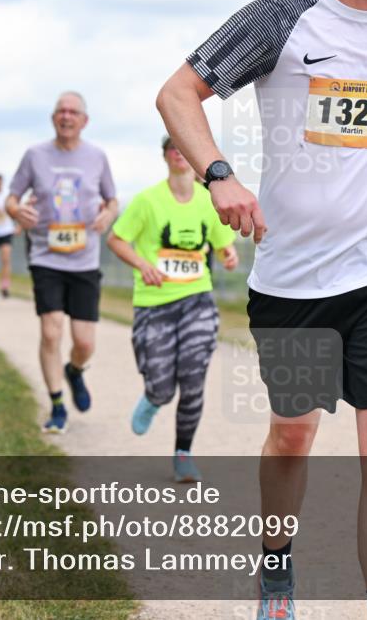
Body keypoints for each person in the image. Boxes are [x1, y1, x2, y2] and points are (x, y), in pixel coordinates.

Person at [155, 0, 367, 618]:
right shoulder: (282, 14)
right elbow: (177, 93)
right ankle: (275, 565)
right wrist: (218, 175)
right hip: (294, 281)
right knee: (293, 435)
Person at [107, 135, 238, 482]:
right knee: (163, 387)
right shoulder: (147, 201)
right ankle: (153, 397)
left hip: (197, 300)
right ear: (164, 156)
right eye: (173, 148)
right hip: (155, 305)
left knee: (193, 380)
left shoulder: (208, 200)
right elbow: (116, 240)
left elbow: (223, 244)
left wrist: (228, 254)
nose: (179, 153)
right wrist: (142, 264)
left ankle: (183, 454)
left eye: (184, 147)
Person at [7, 91, 118, 434]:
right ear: (53, 118)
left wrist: (108, 215)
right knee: (51, 330)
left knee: (84, 342)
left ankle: (75, 370)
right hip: (46, 256)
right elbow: (11, 199)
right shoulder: (35, 155)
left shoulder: (97, 157)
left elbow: (112, 200)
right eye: (61, 111)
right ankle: (57, 405)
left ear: (85, 120)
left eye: (73, 112)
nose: (66, 116)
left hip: (84, 261)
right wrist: (17, 211)